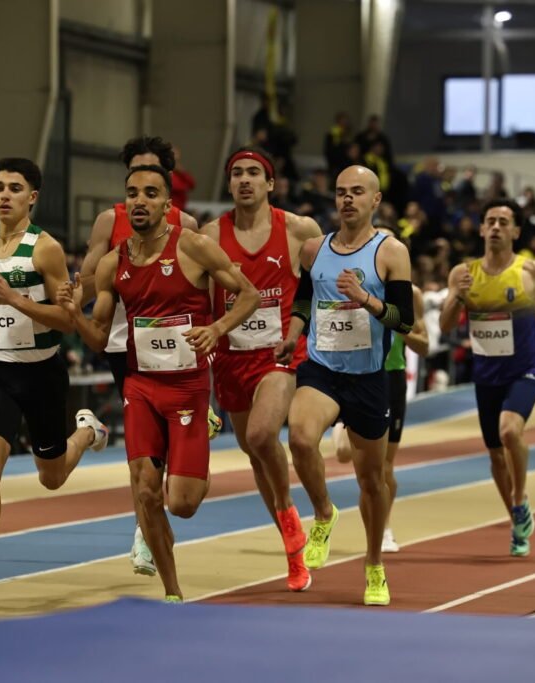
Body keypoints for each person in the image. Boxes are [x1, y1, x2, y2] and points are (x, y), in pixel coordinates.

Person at [59, 164, 259, 602]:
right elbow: (97, 339)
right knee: (146, 491)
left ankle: (200, 430)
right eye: (132, 193)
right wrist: (74, 314)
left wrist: (218, 328)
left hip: (188, 389)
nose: (139, 201)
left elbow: (249, 295)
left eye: (150, 194)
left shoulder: (193, 247)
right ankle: (172, 592)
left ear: (168, 205)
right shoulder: (114, 265)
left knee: (182, 503)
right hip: (141, 387)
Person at [0, 158, 109, 604]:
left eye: (15, 188)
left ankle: (87, 432)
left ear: (32, 197)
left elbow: (66, 320)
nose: (4, 195)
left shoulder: (45, 249)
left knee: (52, 478)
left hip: (41, 374)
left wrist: (16, 300)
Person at [79, 136, 219, 577]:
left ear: (167, 182)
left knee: (164, 464)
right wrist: (63, 305)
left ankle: (172, 490)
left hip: (178, 353)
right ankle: (146, 526)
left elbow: (201, 288)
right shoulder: (109, 220)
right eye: (133, 178)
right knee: (142, 458)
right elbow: (89, 272)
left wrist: (212, 331)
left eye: (152, 177)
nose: (141, 191)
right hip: (125, 342)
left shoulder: (187, 225)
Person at [279, 166, 414, 606]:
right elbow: (304, 297)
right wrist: (294, 331)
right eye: (340, 193)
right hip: (322, 368)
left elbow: (404, 320)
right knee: (300, 438)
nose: (347, 200)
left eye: (357, 192)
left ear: (375, 200)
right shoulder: (314, 249)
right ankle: (323, 512)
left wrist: (367, 299)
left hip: (369, 377)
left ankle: (374, 564)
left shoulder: (391, 252)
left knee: (372, 481)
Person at [203, 146, 323, 592]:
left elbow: (321, 284)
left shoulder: (298, 229)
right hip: (232, 358)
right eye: (237, 173)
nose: (245, 180)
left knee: (259, 435)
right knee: (256, 454)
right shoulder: (210, 234)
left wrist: (302, 328)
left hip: (280, 354)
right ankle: (293, 552)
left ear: (271, 183)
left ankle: (292, 509)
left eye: (254, 172)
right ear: (230, 184)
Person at [440, 199, 535, 557]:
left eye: (504, 222)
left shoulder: (532, 271)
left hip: (525, 370)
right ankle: (518, 525)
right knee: (495, 456)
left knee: (509, 431)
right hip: (486, 375)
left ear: (516, 231)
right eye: (490, 221)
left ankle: (520, 500)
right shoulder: (463, 273)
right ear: (481, 229)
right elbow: (443, 328)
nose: (497, 227)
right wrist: (457, 297)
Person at [333, 229, 429, 553]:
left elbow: (425, 344)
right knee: (346, 455)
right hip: (353, 374)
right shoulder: (349, 283)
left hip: (390, 378)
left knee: (383, 468)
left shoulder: (411, 294)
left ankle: (382, 528)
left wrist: (398, 325)